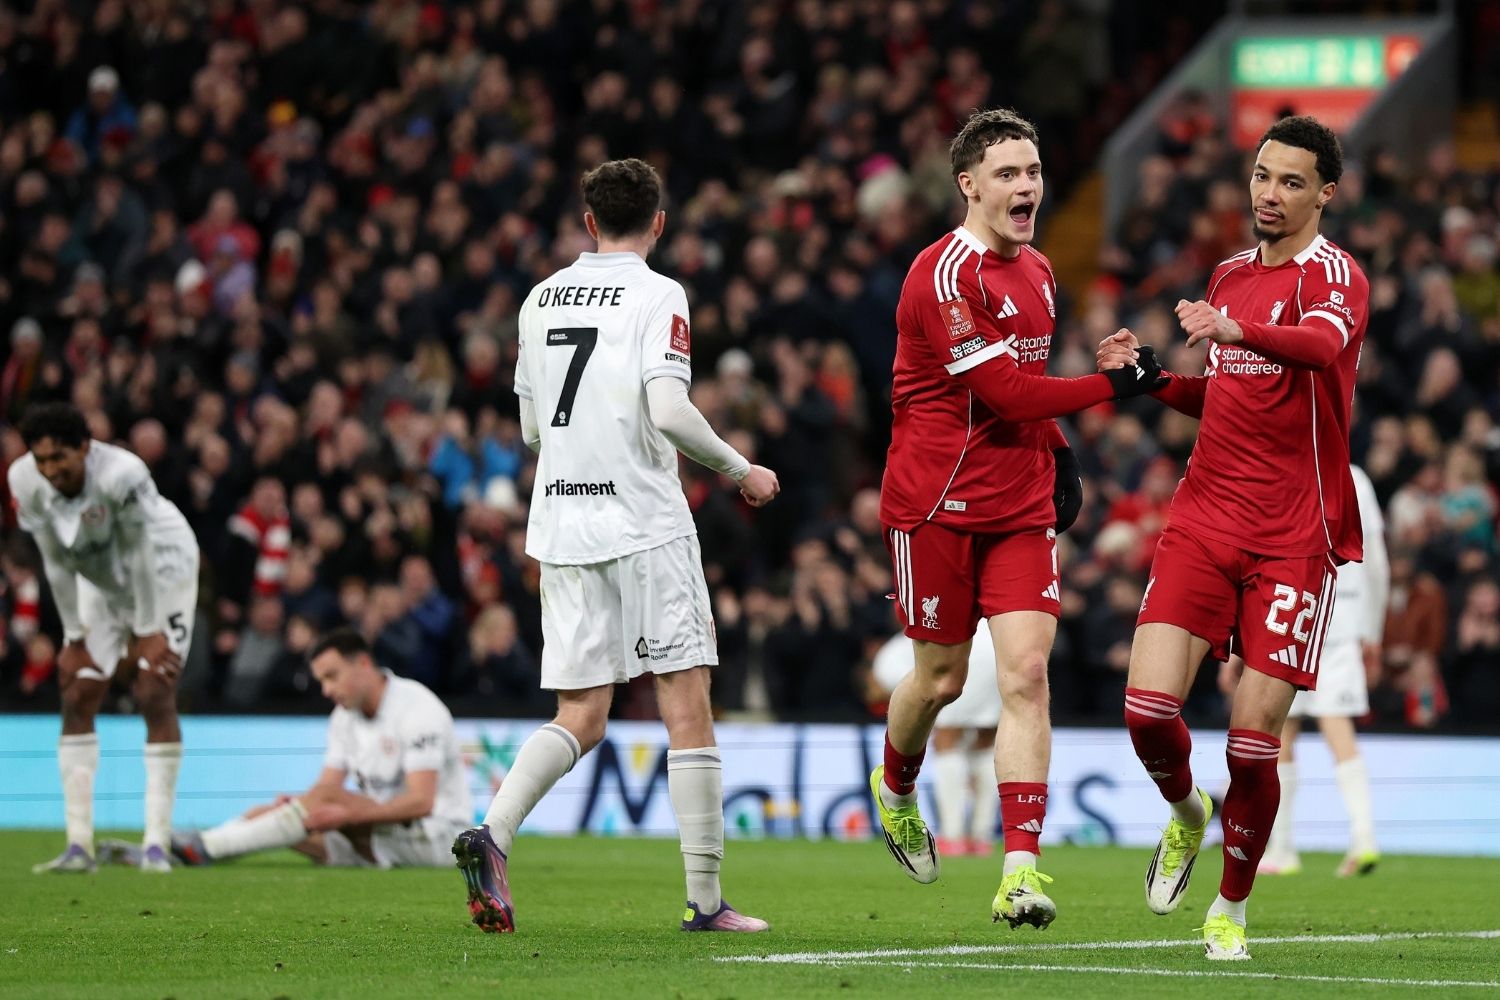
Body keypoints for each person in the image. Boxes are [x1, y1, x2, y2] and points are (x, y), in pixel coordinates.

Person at [451, 157, 780, 935]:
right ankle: (706, 903)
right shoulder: (660, 293)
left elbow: (532, 429)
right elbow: (667, 409)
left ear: (588, 220)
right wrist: (740, 468)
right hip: (643, 521)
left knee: (581, 712)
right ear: (658, 223)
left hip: (561, 523)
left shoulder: (537, 300)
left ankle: (493, 834)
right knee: (685, 700)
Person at [873, 107, 1169, 930]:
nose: (1027, 186)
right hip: (934, 504)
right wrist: (1118, 388)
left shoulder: (1038, 271)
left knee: (1026, 675)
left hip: (1018, 506)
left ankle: (1020, 871)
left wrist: (1061, 450)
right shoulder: (942, 277)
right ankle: (896, 788)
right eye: (1008, 174)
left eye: (1033, 172)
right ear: (968, 185)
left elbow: (1030, 393)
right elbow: (1003, 393)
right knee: (940, 680)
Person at [1096, 116, 1368, 960]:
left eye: (1291, 182)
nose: (1270, 195)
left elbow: (1320, 348)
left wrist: (1235, 331)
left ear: (1326, 192)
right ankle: (1186, 813)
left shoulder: (1337, 276)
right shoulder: (1227, 276)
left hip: (1296, 533)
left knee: (1253, 746)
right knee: (1146, 712)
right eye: (1261, 176)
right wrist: (1151, 380)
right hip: (1205, 517)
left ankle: (1231, 909)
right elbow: (1224, 393)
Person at [9, 402, 200, 874]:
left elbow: (139, 552)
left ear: (85, 449)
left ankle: (156, 845)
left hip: (164, 567)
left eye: (60, 458)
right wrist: (73, 635)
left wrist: (149, 628)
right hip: (96, 572)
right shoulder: (24, 480)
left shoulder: (123, 474)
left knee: (154, 686)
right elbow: (53, 558)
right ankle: (79, 847)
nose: (51, 470)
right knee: (78, 690)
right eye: (42, 460)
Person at [127, 628, 469, 870]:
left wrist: (344, 813)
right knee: (272, 814)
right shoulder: (343, 717)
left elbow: (421, 802)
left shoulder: (418, 708)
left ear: (363, 664)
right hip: (382, 837)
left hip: (442, 842)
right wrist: (297, 807)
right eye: (321, 680)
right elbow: (325, 789)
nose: (326, 690)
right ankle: (189, 849)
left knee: (313, 807)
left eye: (332, 676)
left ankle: (207, 847)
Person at [1253, 463, 1388, 877]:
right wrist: (1373, 628)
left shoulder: (1282, 468)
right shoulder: (1356, 477)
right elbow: (1376, 559)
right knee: (1335, 725)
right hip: (1343, 612)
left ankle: (1281, 848)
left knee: (1279, 728)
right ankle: (1362, 837)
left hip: (1294, 609)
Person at [872, 622, 1000, 857]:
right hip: (994, 644)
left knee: (946, 741)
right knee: (985, 743)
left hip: (963, 650)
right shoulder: (897, 648)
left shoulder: (887, 661)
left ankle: (953, 836)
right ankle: (982, 837)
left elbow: (913, 691)